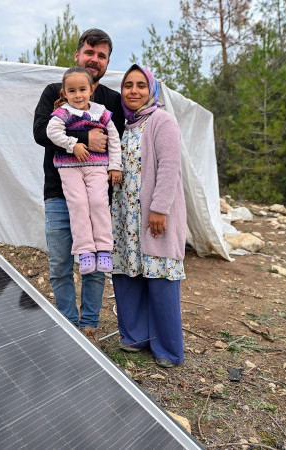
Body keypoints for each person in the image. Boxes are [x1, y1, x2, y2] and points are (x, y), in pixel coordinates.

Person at [33, 29, 124, 342]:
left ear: (107, 62)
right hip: (59, 194)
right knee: (60, 264)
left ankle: (89, 326)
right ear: (77, 55)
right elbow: (41, 133)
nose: (94, 59)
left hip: (98, 192)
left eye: (101, 56)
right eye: (89, 52)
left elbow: (115, 141)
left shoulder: (112, 101)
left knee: (96, 266)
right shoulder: (54, 92)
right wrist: (84, 138)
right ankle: (67, 326)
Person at [111, 64, 187, 368]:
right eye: (128, 85)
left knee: (160, 278)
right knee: (128, 275)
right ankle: (135, 336)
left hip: (152, 216)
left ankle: (168, 349)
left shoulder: (161, 120)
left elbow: (170, 167)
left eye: (141, 85)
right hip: (125, 217)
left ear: (151, 90)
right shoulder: (126, 125)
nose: (133, 91)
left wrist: (159, 209)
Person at [45, 66, 121, 275]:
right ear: (64, 93)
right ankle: (85, 251)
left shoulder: (101, 112)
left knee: (99, 202)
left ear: (91, 90)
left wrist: (115, 166)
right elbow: (51, 132)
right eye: (72, 91)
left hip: (97, 166)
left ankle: (104, 249)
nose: (77, 95)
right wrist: (73, 145)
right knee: (78, 204)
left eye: (82, 90)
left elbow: (114, 138)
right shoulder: (63, 113)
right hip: (69, 168)